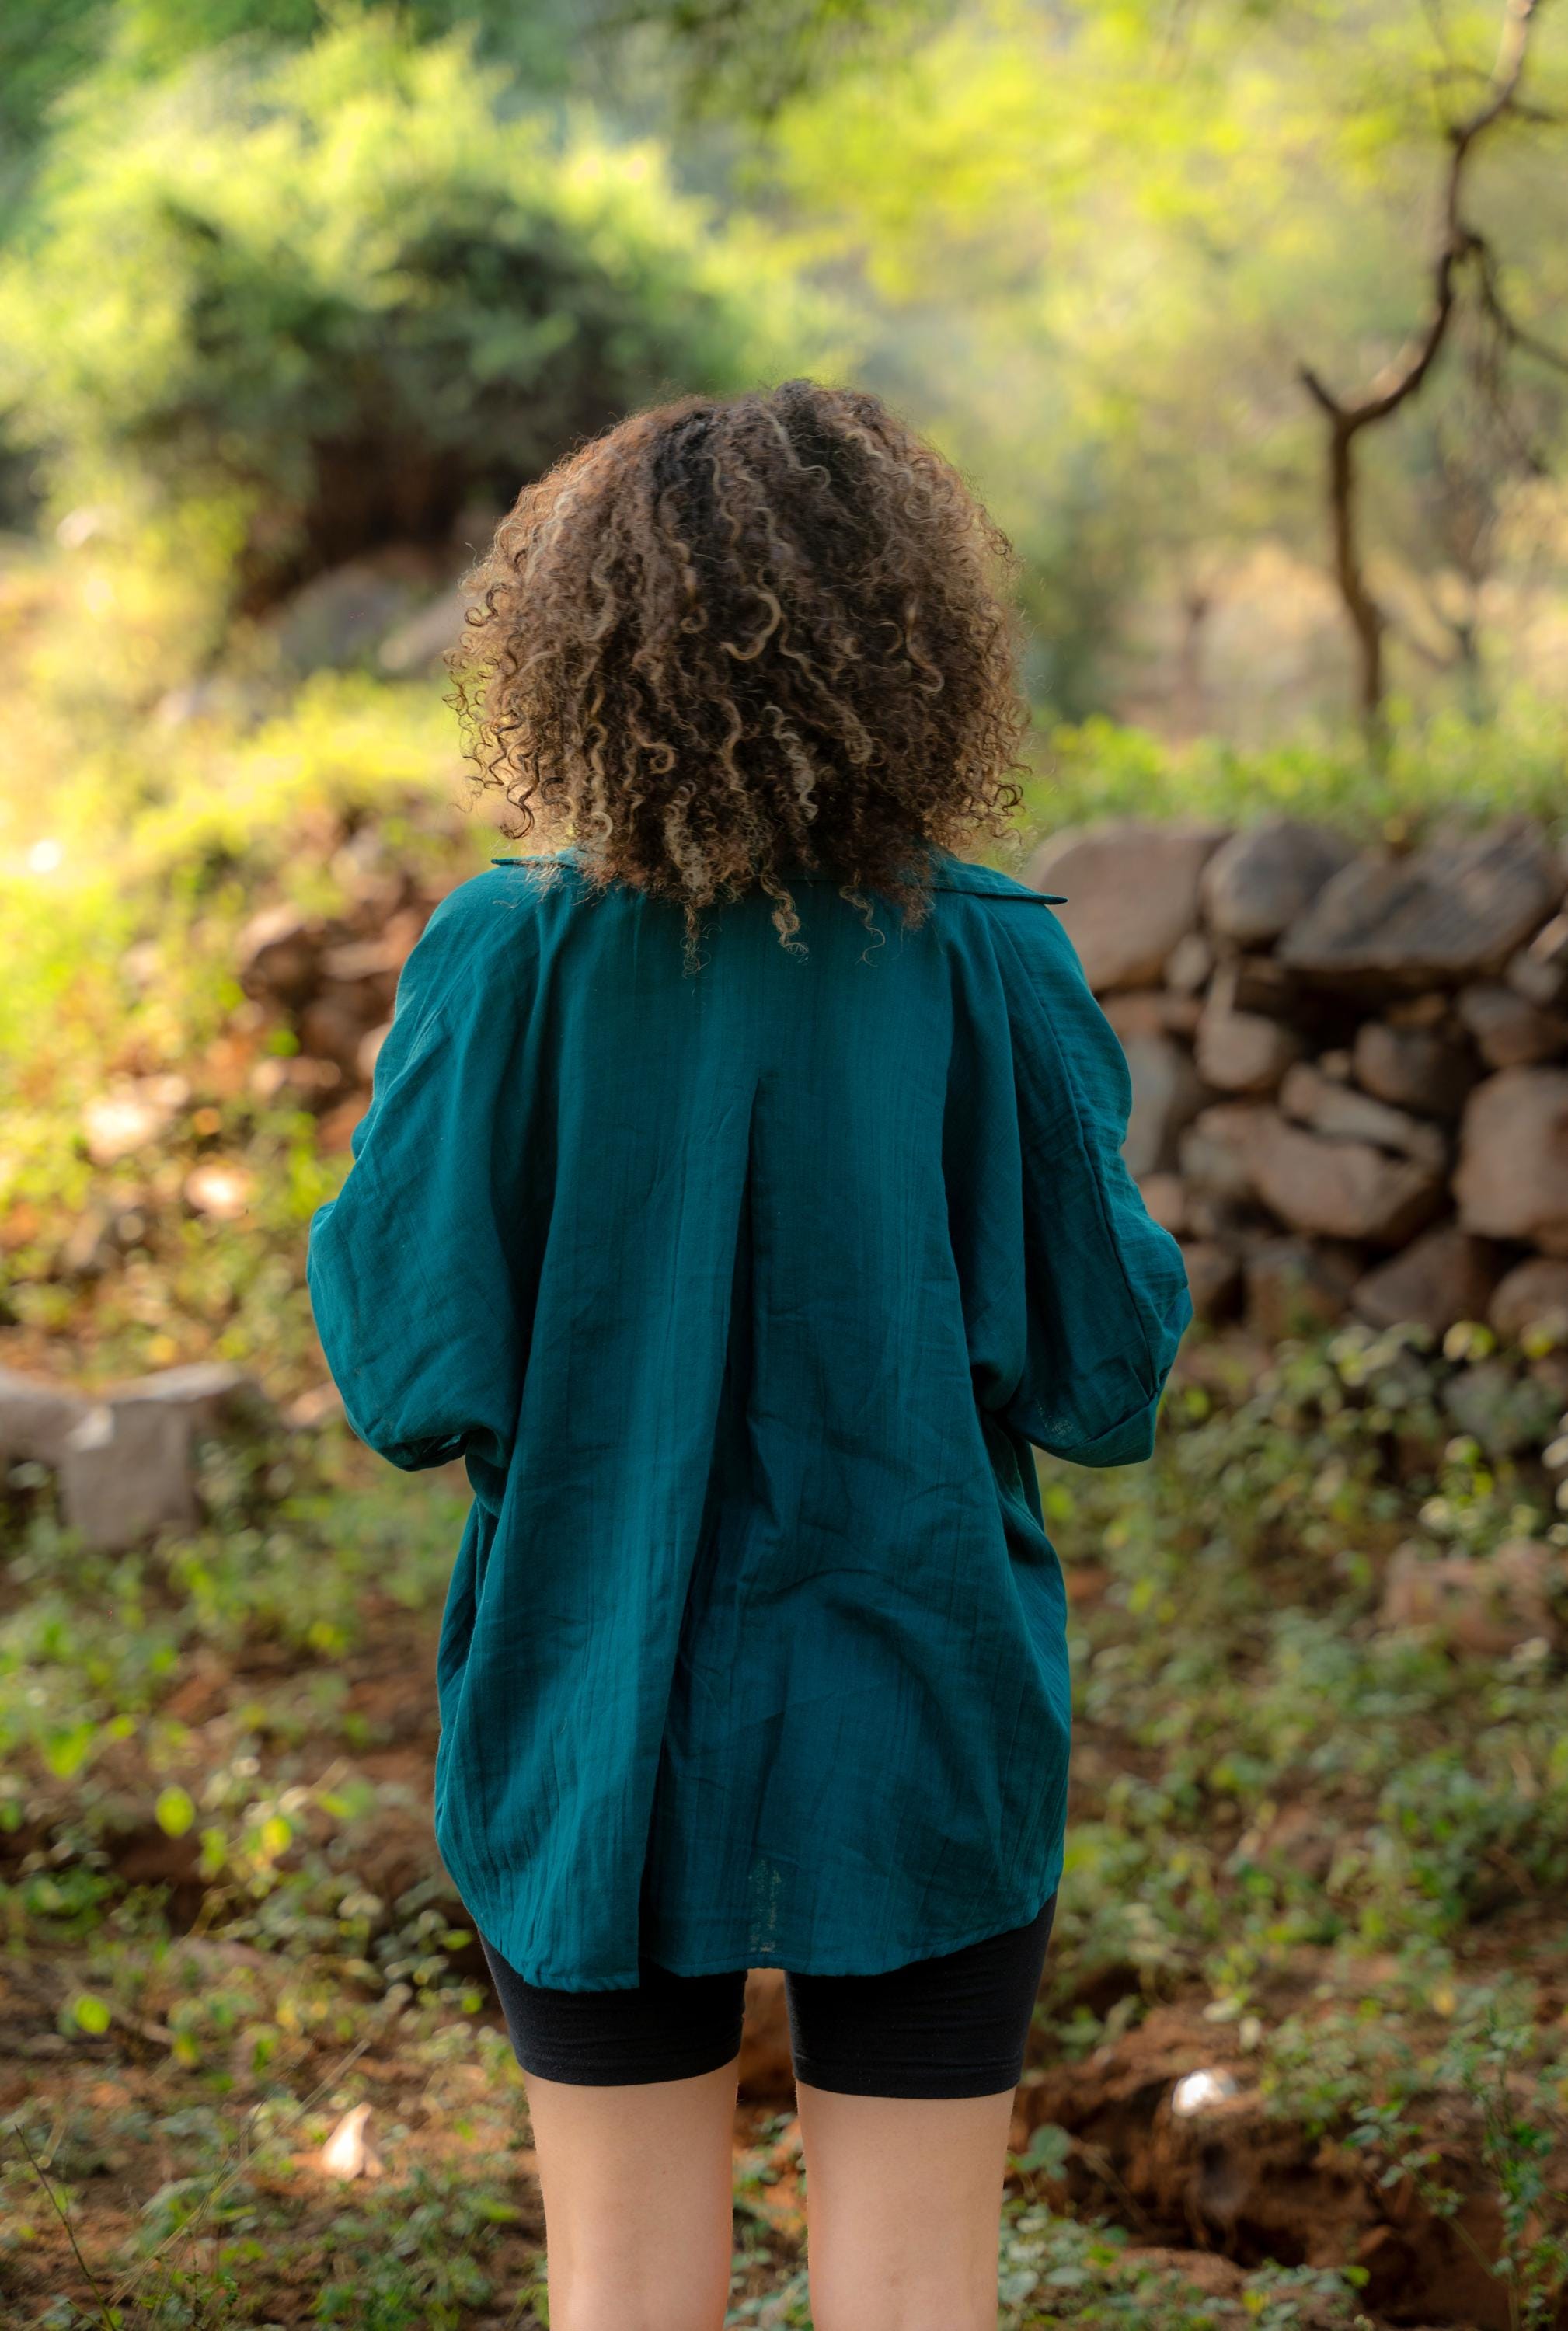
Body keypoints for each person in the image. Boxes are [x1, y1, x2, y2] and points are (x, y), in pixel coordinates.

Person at [306, 378, 1190, 2331]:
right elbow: (1106, 1377)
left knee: (624, 2296)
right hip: (921, 1709)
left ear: (575, 651)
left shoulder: (502, 954)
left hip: (584, 1710)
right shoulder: (990, 953)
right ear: (915, 647)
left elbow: (398, 1374)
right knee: (914, 2299)